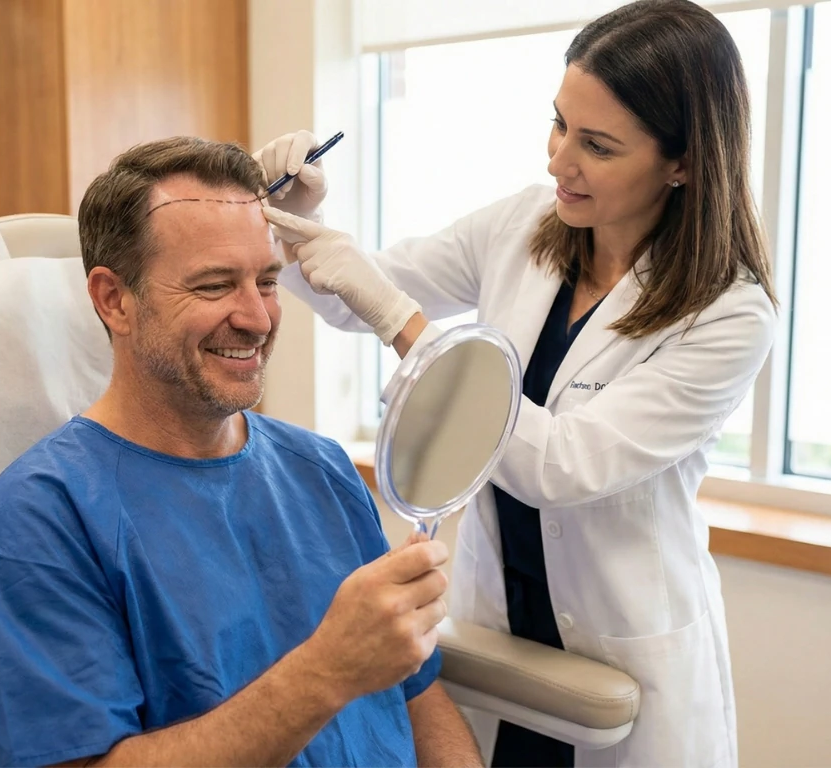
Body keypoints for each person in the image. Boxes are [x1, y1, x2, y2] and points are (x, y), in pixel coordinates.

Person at [256, 1, 778, 765]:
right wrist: (293, 218)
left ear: (685, 163)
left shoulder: (728, 315)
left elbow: (559, 466)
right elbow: (364, 291)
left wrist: (399, 321)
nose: (557, 161)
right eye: (559, 123)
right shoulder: (524, 226)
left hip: (625, 665)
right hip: (499, 637)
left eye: (596, 145)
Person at [0, 137, 482, 767]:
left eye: (267, 280)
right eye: (213, 286)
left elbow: (417, 695)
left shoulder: (323, 471)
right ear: (114, 300)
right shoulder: (41, 521)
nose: (257, 318)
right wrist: (325, 671)